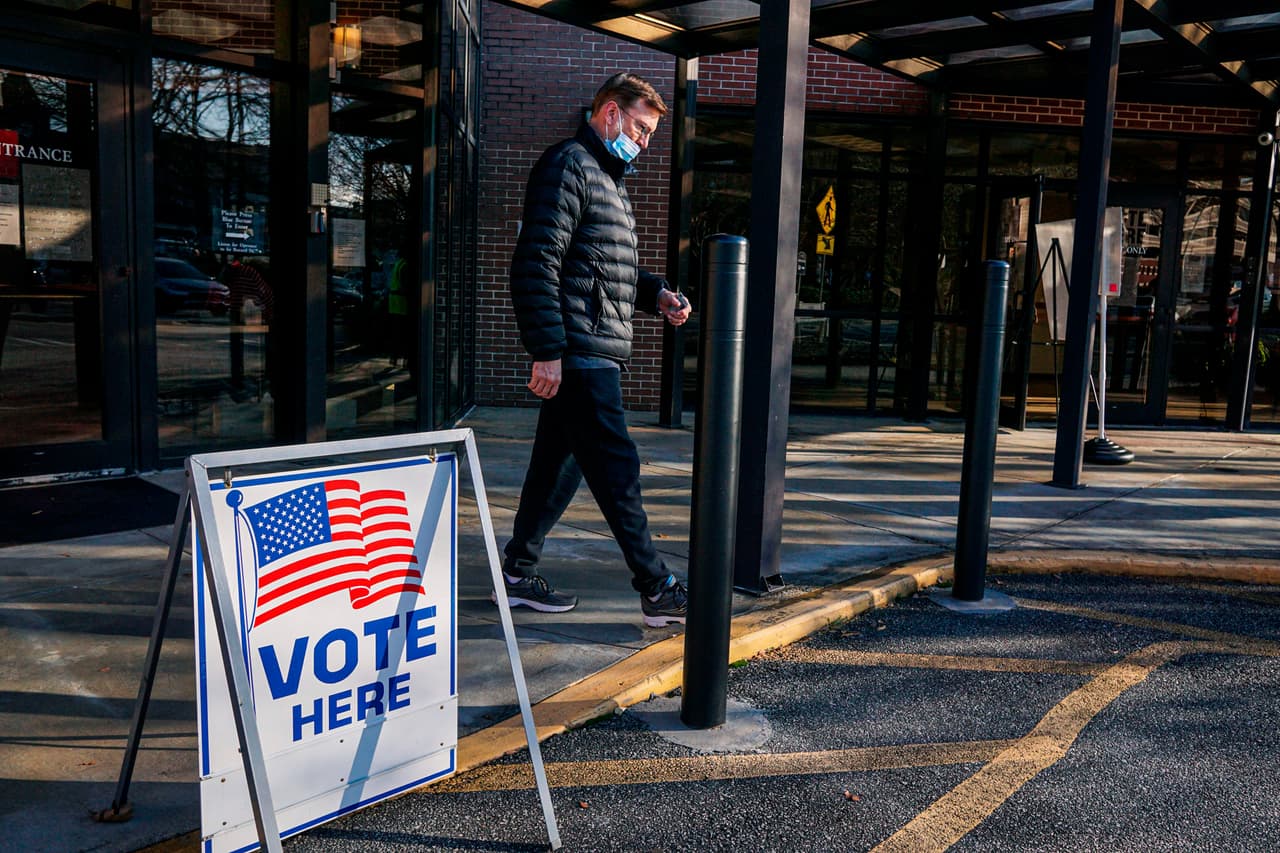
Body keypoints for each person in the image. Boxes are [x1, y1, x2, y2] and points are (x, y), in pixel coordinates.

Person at [499, 72, 692, 628]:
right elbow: (536, 260)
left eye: (650, 134)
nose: (644, 142)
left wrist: (655, 294)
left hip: (589, 346)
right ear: (610, 114)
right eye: (641, 128)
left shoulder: (606, 178)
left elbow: (605, 270)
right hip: (580, 351)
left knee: (557, 468)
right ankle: (657, 587)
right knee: (616, 469)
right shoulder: (569, 166)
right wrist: (547, 349)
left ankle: (517, 572)